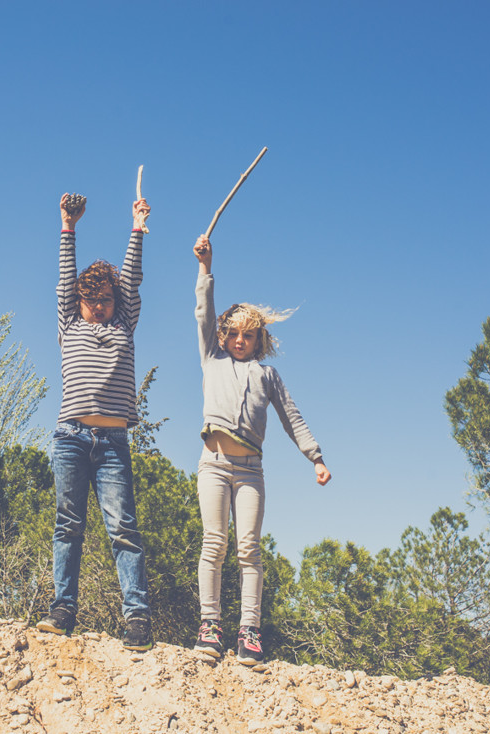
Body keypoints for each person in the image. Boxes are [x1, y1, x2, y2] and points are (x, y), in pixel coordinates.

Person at [190, 233, 331, 666]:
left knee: (249, 548)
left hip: (250, 470)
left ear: (258, 340)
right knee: (213, 543)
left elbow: (293, 417)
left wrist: (316, 457)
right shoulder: (211, 359)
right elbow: (202, 311)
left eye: (246, 336)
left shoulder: (267, 377)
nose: (237, 340)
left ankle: (249, 632)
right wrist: (205, 269)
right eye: (231, 333)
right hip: (213, 466)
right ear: (222, 335)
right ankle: (209, 626)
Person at [36, 192, 154, 651]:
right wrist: (68, 226)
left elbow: (132, 281)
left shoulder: (125, 322)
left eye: (105, 299)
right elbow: (66, 279)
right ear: (79, 302)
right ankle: (63, 609)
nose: (98, 306)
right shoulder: (69, 322)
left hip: (113, 441)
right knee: (68, 524)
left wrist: (136, 229)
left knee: (122, 528)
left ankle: (137, 618)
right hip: (70, 436)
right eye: (91, 300)